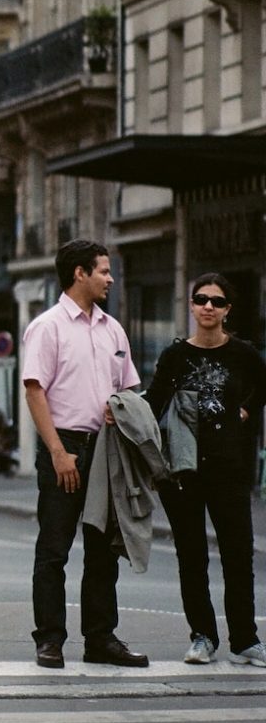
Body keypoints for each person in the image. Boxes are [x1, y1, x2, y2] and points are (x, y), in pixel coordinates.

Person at [21, 239, 146, 669]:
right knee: (54, 549)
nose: (110, 279)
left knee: (102, 550)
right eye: (103, 271)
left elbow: (129, 388)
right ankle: (50, 639)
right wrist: (57, 452)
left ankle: (100, 638)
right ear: (79, 273)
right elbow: (34, 390)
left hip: (105, 452)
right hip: (66, 447)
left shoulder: (113, 329)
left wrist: (121, 412)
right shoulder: (48, 326)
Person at [142, 272, 266, 668]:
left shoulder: (244, 354)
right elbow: (155, 401)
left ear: (228, 309)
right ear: (192, 306)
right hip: (184, 471)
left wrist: (246, 409)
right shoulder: (175, 355)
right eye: (201, 299)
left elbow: (262, 388)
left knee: (238, 555)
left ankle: (245, 640)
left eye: (216, 300)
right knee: (191, 557)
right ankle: (202, 637)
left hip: (230, 470)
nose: (208, 306)